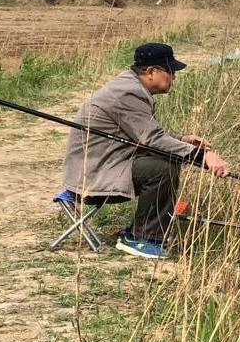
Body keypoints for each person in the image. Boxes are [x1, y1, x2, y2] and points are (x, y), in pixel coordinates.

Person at [62, 43, 231, 259]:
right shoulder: (128, 93)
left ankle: (142, 232)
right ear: (151, 72)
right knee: (162, 168)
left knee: (164, 160)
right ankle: (142, 238)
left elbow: (143, 136)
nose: (174, 78)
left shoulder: (131, 87)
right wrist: (203, 156)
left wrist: (181, 141)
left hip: (104, 164)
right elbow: (152, 139)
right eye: (170, 72)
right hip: (90, 177)